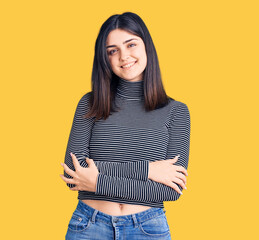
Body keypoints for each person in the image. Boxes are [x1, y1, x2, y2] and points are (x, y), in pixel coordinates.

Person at [59, 11, 191, 240]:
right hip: (89, 226)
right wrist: (148, 170)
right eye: (113, 50)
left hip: (148, 229)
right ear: (105, 58)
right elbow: (74, 172)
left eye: (131, 45)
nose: (123, 56)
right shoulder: (90, 103)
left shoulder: (176, 111)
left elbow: (170, 189)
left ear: (146, 46)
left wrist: (96, 181)